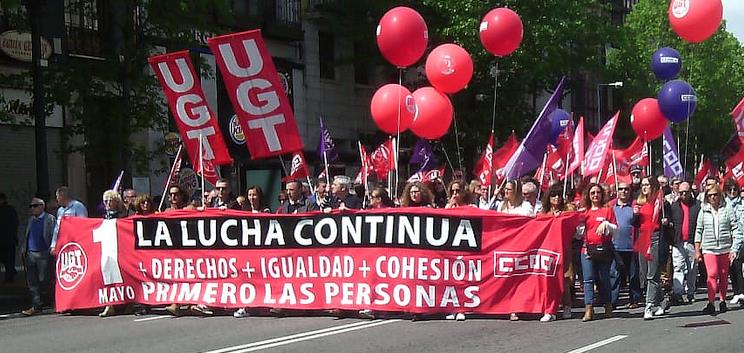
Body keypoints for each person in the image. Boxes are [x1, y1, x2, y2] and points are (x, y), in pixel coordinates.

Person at [695, 184, 744, 314]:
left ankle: (722, 301)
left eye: (715, 195)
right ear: (706, 197)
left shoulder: (727, 209)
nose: (713, 198)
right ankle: (711, 303)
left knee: (723, 275)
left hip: (725, 248)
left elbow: (735, 228)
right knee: (712, 274)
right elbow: (698, 231)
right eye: (710, 195)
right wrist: (697, 250)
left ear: (719, 195)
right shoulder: (703, 210)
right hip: (709, 248)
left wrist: (734, 249)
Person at [578, 183, 618, 322]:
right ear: (588, 196)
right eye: (592, 193)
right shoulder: (584, 212)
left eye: (598, 192)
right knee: (588, 279)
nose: (595, 195)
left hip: (603, 249)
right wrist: (579, 225)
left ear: (602, 195)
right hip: (587, 249)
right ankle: (589, 308)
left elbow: (616, 230)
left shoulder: (608, 210)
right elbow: (578, 233)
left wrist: (607, 225)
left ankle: (608, 305)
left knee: (604, 278)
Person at [636, 176, 672, 320]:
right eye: (642, 185)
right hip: (643, 238)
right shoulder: (640, 203)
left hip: (656, 238)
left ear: (653, 187)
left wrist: (666, 221)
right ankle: (663, 301)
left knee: (652, 275)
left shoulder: (661, 203)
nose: (644, 187)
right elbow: (635, 223)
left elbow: (669, 219)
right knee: (645, 275)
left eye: (647, 185)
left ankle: (649, 306)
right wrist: (635, 215)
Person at [540, 184, 576, 321]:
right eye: (553, 195)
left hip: (563, 248)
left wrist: (562, 217)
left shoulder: (567, 210)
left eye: (559, 196)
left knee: (565, 279)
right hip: (547, 250)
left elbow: (574, 224)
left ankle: (567, 306)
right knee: (549, 279)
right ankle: (550, 309)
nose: (556, 198)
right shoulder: (544, 213)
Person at [19, 198, 55, 315]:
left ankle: (52, 302)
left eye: (35, 206)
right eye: (31, 206)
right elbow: (27, 235)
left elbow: (53, 235)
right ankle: (36, 305)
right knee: (32, 282)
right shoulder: (31, 220)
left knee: (45, 279)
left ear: (42, 206)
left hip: (43, 253)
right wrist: (24, 249)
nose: (33, 208)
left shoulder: (49, 219)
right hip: (31, 253)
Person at [610, 182, 642, 310]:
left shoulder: (634, 206)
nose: (623, 191)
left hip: (631, 246)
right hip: (615, 246)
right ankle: (612, 301)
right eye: (621, 189)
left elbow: (640, 225)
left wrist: (637, 215)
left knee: (633, 274)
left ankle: (635, 299)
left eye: (626, 189)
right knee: (614, 274)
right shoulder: (611, 206)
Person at [669, 181, 700, 305]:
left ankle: (691, 292)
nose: (683, 195)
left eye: (686, 192)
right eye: (681, 192)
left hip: (692, 242)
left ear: (690, 192)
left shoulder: (697, 206)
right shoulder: (674, 206)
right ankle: (678, 293)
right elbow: (669, 224)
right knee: (678, 267)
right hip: (678, 242)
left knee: (692, 269)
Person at [99, 190, 126, 317]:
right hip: (108, 250)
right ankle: (109, 304)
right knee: (107, 275)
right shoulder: (104, 217)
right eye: (106, 201)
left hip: (121, 250)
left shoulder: (123, 216)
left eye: (111, 201)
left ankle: (125, 302)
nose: (108, 203)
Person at [723, 179, 744, 305]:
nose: (732, 192)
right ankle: (736, 292)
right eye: (729, 190)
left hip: (741, 238)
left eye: (734, 189)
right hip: (728, 239)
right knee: (731, 266)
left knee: (737, 263)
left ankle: (741, 292)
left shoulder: (742, 205)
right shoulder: (723, 204)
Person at [50, 186, 88, 256]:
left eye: (57, 196)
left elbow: (83, 225)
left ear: (62, 196)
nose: (56, 199)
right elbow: (57, 229)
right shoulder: (60, 210)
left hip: (74, 243)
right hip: (63, 244)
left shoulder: (78, 206)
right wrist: (53, 245)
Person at [0, 193, 19, 283]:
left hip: (8, 240)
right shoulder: (10, 210)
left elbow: (14, 223)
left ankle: (10, 275)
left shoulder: (9, 210)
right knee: (9, 260)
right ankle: (10, 274)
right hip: (9, 240)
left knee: (8, 260)